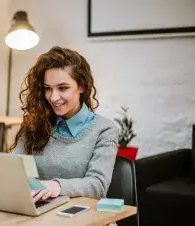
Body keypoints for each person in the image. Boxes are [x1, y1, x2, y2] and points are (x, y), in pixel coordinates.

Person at [10, 46, 118, 203]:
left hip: (84, 216)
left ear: (82, 86)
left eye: (63, 88)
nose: (54, 97)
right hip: (42, 213)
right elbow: (15, 168)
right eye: (48, 89)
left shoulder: (104, 130)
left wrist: (56, 186)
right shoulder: (36, 124)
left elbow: (98, 185)